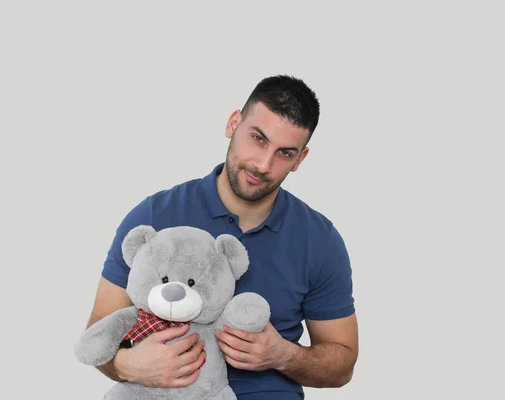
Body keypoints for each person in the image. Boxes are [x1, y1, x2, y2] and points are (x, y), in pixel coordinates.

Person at [83, 74, 359, 399]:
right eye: (257, 138)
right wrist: (129, 365)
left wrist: (284, 355)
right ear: (233, 124)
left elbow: (342, 364)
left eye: (284, 153)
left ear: (300, 159)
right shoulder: (155, 216)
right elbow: (99, 327)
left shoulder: (319, 240)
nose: (262, 164)